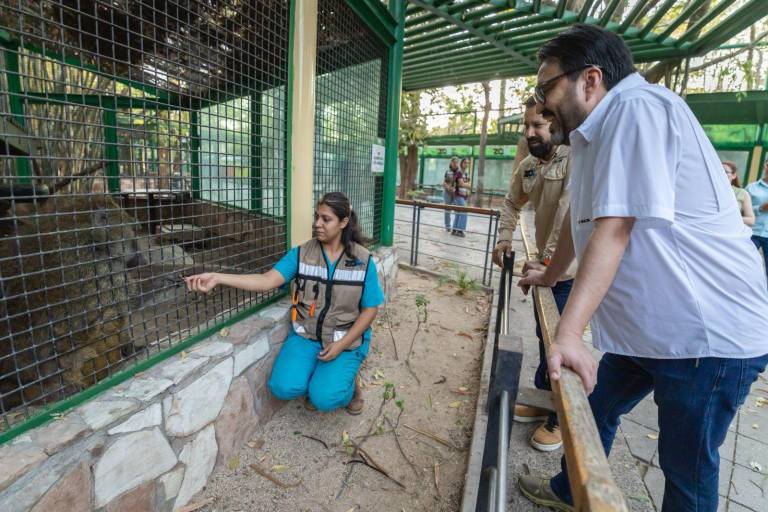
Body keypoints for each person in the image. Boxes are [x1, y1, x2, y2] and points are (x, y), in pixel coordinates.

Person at [516, 24, 768, 512]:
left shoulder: (637, 109)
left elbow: (614, 230)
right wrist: (549, 274)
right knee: (595, 406)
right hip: (655, 330)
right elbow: (580, 217)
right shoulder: (596, 132)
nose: (542, 104)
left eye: (547, 88)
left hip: (707, 338)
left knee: (686, 470)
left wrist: (568, 334)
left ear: (590, 79)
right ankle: (570, 493)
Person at [185, 192, 384, 414]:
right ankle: (324, 376)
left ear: (343, 222)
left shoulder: (362, 261)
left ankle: (349, 387)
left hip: (344, 338)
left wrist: (342, 344)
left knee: (324, 399)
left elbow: (370, 310)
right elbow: (266, 280)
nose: (317, 224)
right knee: (282, 387)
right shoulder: (301, 254)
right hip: (307, 336)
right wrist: (219, 277)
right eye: (316, 217)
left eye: (325, 219)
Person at [492, 96, 574, 452]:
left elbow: (567, 216)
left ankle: (560, 417)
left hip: (569, 273)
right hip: (544, 270)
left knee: (561, 344)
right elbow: (512, 202)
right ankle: (544, 401)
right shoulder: (528, 166)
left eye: (538, 125)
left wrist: (548, 262)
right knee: (545, 337)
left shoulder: (575, 160)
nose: (530, 133)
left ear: (555, 124)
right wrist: (504, 237)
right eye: (526, 126)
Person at [747, 159, 768, 279]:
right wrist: (760, 208)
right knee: (744, 265)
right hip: (752, 233)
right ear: (765, 165)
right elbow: (741, 211)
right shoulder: (751, 188)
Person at [722, 161, 755, 226]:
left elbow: (751, 220)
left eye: (725, 172)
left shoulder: (742, 193)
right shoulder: (707, 191)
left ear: (734, 175)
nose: (721, 174)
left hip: (729, 232)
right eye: (718, 171)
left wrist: (728, 218)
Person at [451, 158, 470, 236]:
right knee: (464, 211)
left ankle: (455, 229)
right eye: (465, 162)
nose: (466, 164)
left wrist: (465, 184)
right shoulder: (458, 173)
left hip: (464, 195)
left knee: (459, 212)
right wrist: (466, 184)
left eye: (468, 163)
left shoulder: (466, 174)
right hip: (458, 195)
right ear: (461, 163)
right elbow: (462, 184)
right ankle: (460, 230)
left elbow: (469, 184)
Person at [442, 157, 459, 231]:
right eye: (453, 162)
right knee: (447, 210)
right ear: (451, 162)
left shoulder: (459, 172)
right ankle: (448, 226)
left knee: (457, 210)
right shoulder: (447, 171)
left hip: (456, 193)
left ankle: (456, 227)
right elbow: (444, 182)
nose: (455, 163)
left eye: (456, 162)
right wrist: (448, 187)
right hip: (447, 192)